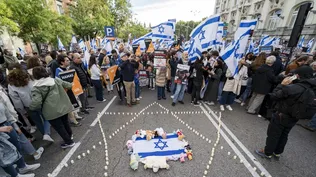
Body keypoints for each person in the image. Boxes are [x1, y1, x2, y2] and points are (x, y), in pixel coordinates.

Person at [255, 66, 316, 159]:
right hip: (295, 116)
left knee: (273, 134)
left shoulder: (292, 88)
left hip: (282, 114)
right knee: (284, 134)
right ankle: (277, 152)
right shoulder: (311, 89)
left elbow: (274, 96)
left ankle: (267, 153)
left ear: (298, 75)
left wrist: (282, 84)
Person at [29, 66, 75, 149]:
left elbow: (37, 102)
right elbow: (69, 85)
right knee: (65, 123)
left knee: (59, 127)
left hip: (51, 111)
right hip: (63, 106)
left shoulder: (36, 87)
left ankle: (69, 142)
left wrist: (31, 108)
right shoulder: (55, 80)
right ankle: (69, 136)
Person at [7, 68, 54, 142]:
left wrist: (22, 111)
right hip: (39, 100)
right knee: (47, 117)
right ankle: (47, 133)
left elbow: (17, 101)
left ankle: (44, 134)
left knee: (37, 121)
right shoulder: (30, 78)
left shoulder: (11, 86)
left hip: (28, 106)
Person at [55, 55, 83, 127]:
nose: (69, 61)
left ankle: (76, 115)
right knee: (69, 105)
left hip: (72, 89)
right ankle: (73, 120)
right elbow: (59, 82)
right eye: (67, 60)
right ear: (62, 62)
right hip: (66, 92)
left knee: (74, 102)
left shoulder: (68, 68)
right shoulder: (58, 71)